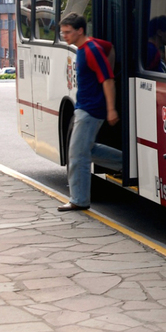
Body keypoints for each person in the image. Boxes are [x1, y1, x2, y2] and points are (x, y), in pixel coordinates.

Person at [57, 13, 122, 212]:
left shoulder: (92, 50)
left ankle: (79, 199)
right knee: (87, 149)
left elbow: (108, 80)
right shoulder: (89, 46)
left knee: (77, 155)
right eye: (63, 32)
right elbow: (110, 47)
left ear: (80, 31)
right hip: (84, 107)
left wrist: (111, 109)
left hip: (91, 110)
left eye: (68, 32)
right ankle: (125, 162)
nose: (64, 36)